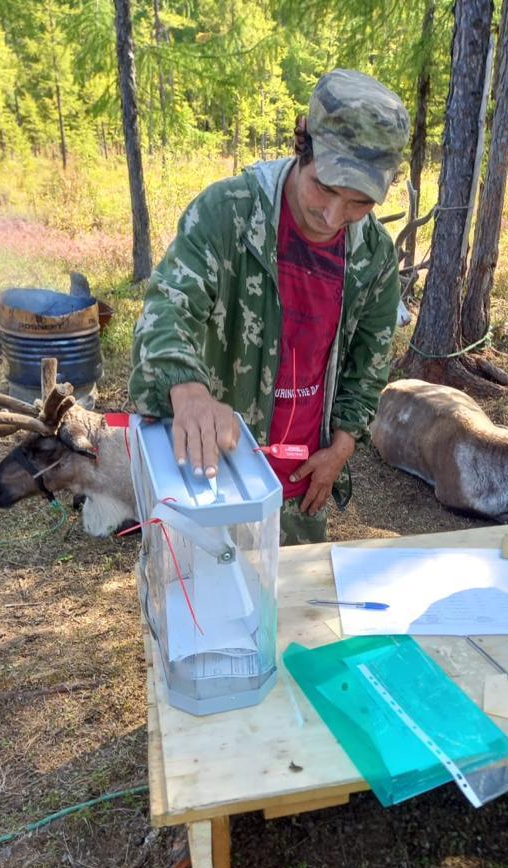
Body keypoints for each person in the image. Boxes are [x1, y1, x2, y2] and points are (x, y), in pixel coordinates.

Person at [129, 69, 410, 545]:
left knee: (292, 613)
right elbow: (167, 308)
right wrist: (188, 388)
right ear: (304, 146)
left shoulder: (374, 256)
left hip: (302, 483)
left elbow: (369, 365)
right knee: (203, 607)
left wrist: (340, 449)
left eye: (359, 202)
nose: (332, 216)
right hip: (210, 472)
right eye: (324, 187)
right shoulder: (229, 214)